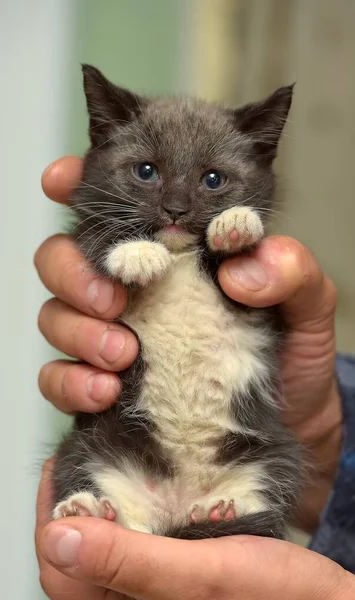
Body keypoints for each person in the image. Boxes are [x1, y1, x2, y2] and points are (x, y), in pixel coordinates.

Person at [34, 156, 355, 599]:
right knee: (86, 453)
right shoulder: (122, 243)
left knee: (275, 464)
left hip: (233, 470)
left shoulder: (234, 256)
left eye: (212, 180)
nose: (177, 202)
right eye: (147, 173)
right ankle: (111, 514)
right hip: (133, 465)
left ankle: (205, 525)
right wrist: (108, 256)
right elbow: (93, 235)